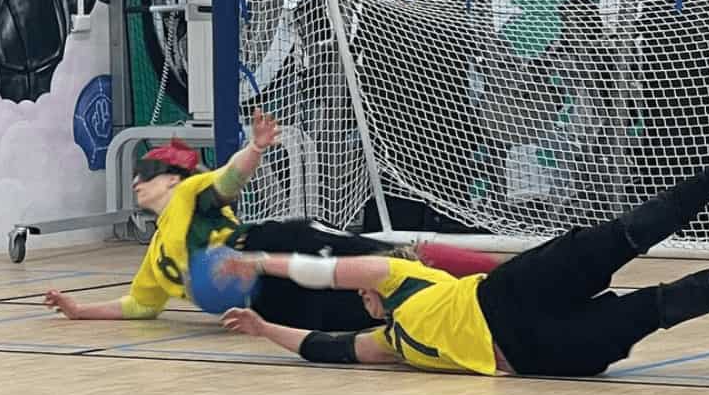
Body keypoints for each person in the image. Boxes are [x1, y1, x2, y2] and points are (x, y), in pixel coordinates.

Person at [218, 130, 709, 378]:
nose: (359, 292)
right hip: (532, 352)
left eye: (361, 290)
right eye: (361, 294)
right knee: (657, 307)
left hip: (512, 307)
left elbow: (320, 271)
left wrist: (258, 264)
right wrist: (264, 325)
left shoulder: (399, 277)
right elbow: (327, 350)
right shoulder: (390, 342)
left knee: (624, 239)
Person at [44, 110, 503, 330]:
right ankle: (476, 309)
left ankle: (497, 273)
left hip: (277, 246)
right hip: (267, 303)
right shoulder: (157, 256)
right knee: (367, 313)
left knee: (394, 261)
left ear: (169, 178)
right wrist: (81, 310)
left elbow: (228, 181)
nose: (135, 185)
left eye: (144, 175)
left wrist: (256, 148)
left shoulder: (190, 194)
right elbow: (141, 306)